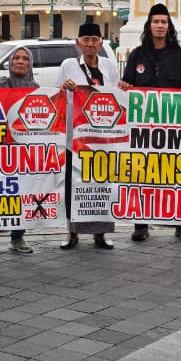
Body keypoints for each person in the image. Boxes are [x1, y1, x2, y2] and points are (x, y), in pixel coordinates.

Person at [120, 3, 181, 243]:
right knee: (142, 174)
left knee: (177, 174)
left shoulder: (179, 54)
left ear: (168, 26)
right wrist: (124, 87)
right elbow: (127, 85)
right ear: (149, 25)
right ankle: (140, 223)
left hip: (173, 128)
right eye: (156, 22)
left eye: (164, 22)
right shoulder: (137, 54)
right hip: (143, 129)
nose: (160, 26)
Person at [56, 22, 120, 250]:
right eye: (86, 40)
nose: (90, 44)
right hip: (76, 137)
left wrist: (123, 88)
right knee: (74, 185)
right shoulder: (68, 64)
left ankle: (101, 234)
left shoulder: (110, 66)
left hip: (103, 137)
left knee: (102, 185)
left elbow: (116, 97)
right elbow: (57, 97)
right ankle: (72, 232)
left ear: (101, 43)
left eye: (95, 40)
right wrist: (64, 87)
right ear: (78, 43)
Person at [0, 46, 38, 256]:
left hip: (23, 152)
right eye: (17, 57)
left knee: (22, 195)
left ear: (30, 64)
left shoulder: (35, 87)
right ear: (10, 62)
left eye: (25, 58)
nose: (20, 61)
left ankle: (17, 237)